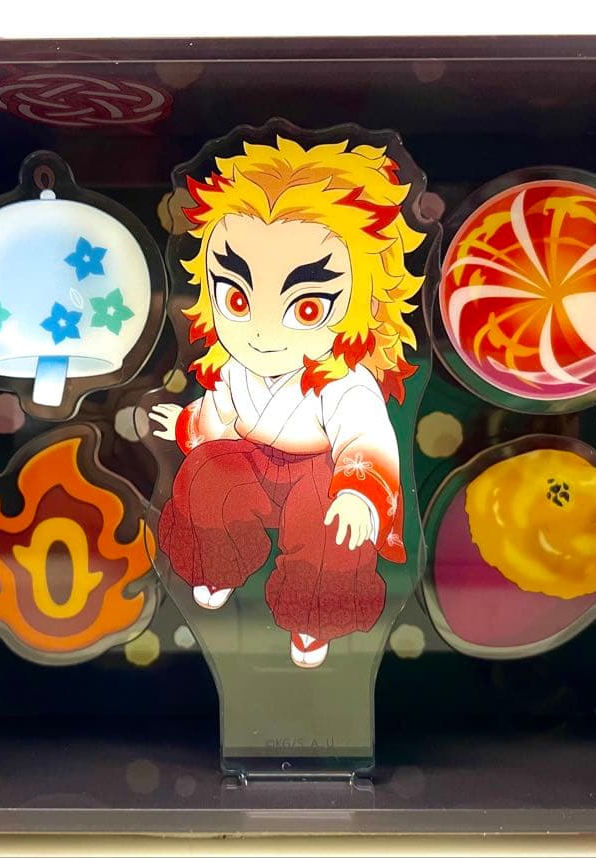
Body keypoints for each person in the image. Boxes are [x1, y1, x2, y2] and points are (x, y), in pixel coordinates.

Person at [150, 135, 425, 668]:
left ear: (364, 303)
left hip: (320, 474)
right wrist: (186, 425)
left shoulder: (345, 381)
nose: (261, 332)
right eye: (237, 298)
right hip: (252, 463)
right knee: (205, 476)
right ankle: (218, 565)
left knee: (332, 532)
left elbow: (365, 437)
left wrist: (358, 493)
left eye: (305, 308)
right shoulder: (236, 366)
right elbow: (222, 411)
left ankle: (313, 617)